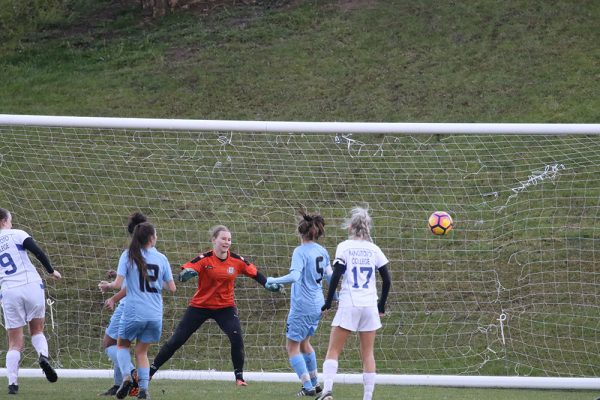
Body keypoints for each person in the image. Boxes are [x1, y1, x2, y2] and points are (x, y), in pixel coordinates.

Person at [149, 225, 279, 386]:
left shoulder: (237, 260)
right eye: (223, 239)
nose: (227, 242)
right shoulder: (204, 259)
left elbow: (254, 273)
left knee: (236, 337)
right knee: (177, 340)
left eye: (229, 239)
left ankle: (239, 378)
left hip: (225, 307)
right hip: (200, 306)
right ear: (214, 240)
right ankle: (149, 372)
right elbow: (186, 270)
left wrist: (267, 284)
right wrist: (185, 275)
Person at [317, 207, 392, 400]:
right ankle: (367, 397)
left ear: (350, 226)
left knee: (334, 349)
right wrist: (381, 305)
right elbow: (387, 279)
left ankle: (326, 392)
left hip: (350, 302)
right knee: (368, 353)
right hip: (369, 305)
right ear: (368, 228)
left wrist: (329, 300)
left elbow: (336, 275)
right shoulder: (374, 249)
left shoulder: (344, 246)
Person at [98, 222, 176, 400]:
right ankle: (143, 391)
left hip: (134, 311)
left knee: (121, 345)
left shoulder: (128, 255)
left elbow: (118, 284)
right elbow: (172, 288)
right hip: (155, 314)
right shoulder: (162, 258)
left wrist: (108, 286)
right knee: (142, 352)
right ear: (151, 238)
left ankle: (126, 377)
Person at [265, 210, 331, 396]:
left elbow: (294, 276)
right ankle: (315, 383)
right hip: (318, 305)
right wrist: (335, 298)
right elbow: (330, 277)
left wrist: (273, 279)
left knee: (292, 346)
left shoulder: (300, 252)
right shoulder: (322, 251)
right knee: (305, 344)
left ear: (300, 232)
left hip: (302, 306)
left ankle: (307, 387)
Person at [0, 208, 61, 395]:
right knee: (37, 330)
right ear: (4, 221)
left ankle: (12, 384)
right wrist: (51, 271)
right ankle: (43, 357)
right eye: (10, 220)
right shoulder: (17, 233)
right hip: (31, 285)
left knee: (15, 342)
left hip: (9, 290)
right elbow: (38, 252)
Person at [98, 211, 148, 396]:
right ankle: (119, 384)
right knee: (127, 345)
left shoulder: (128, 254)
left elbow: (126, 286)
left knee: (110, 343)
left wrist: (111, 293)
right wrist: (117, 275)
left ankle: (131, 373)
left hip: (129, 305)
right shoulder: (154, 255)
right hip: (149, 307)